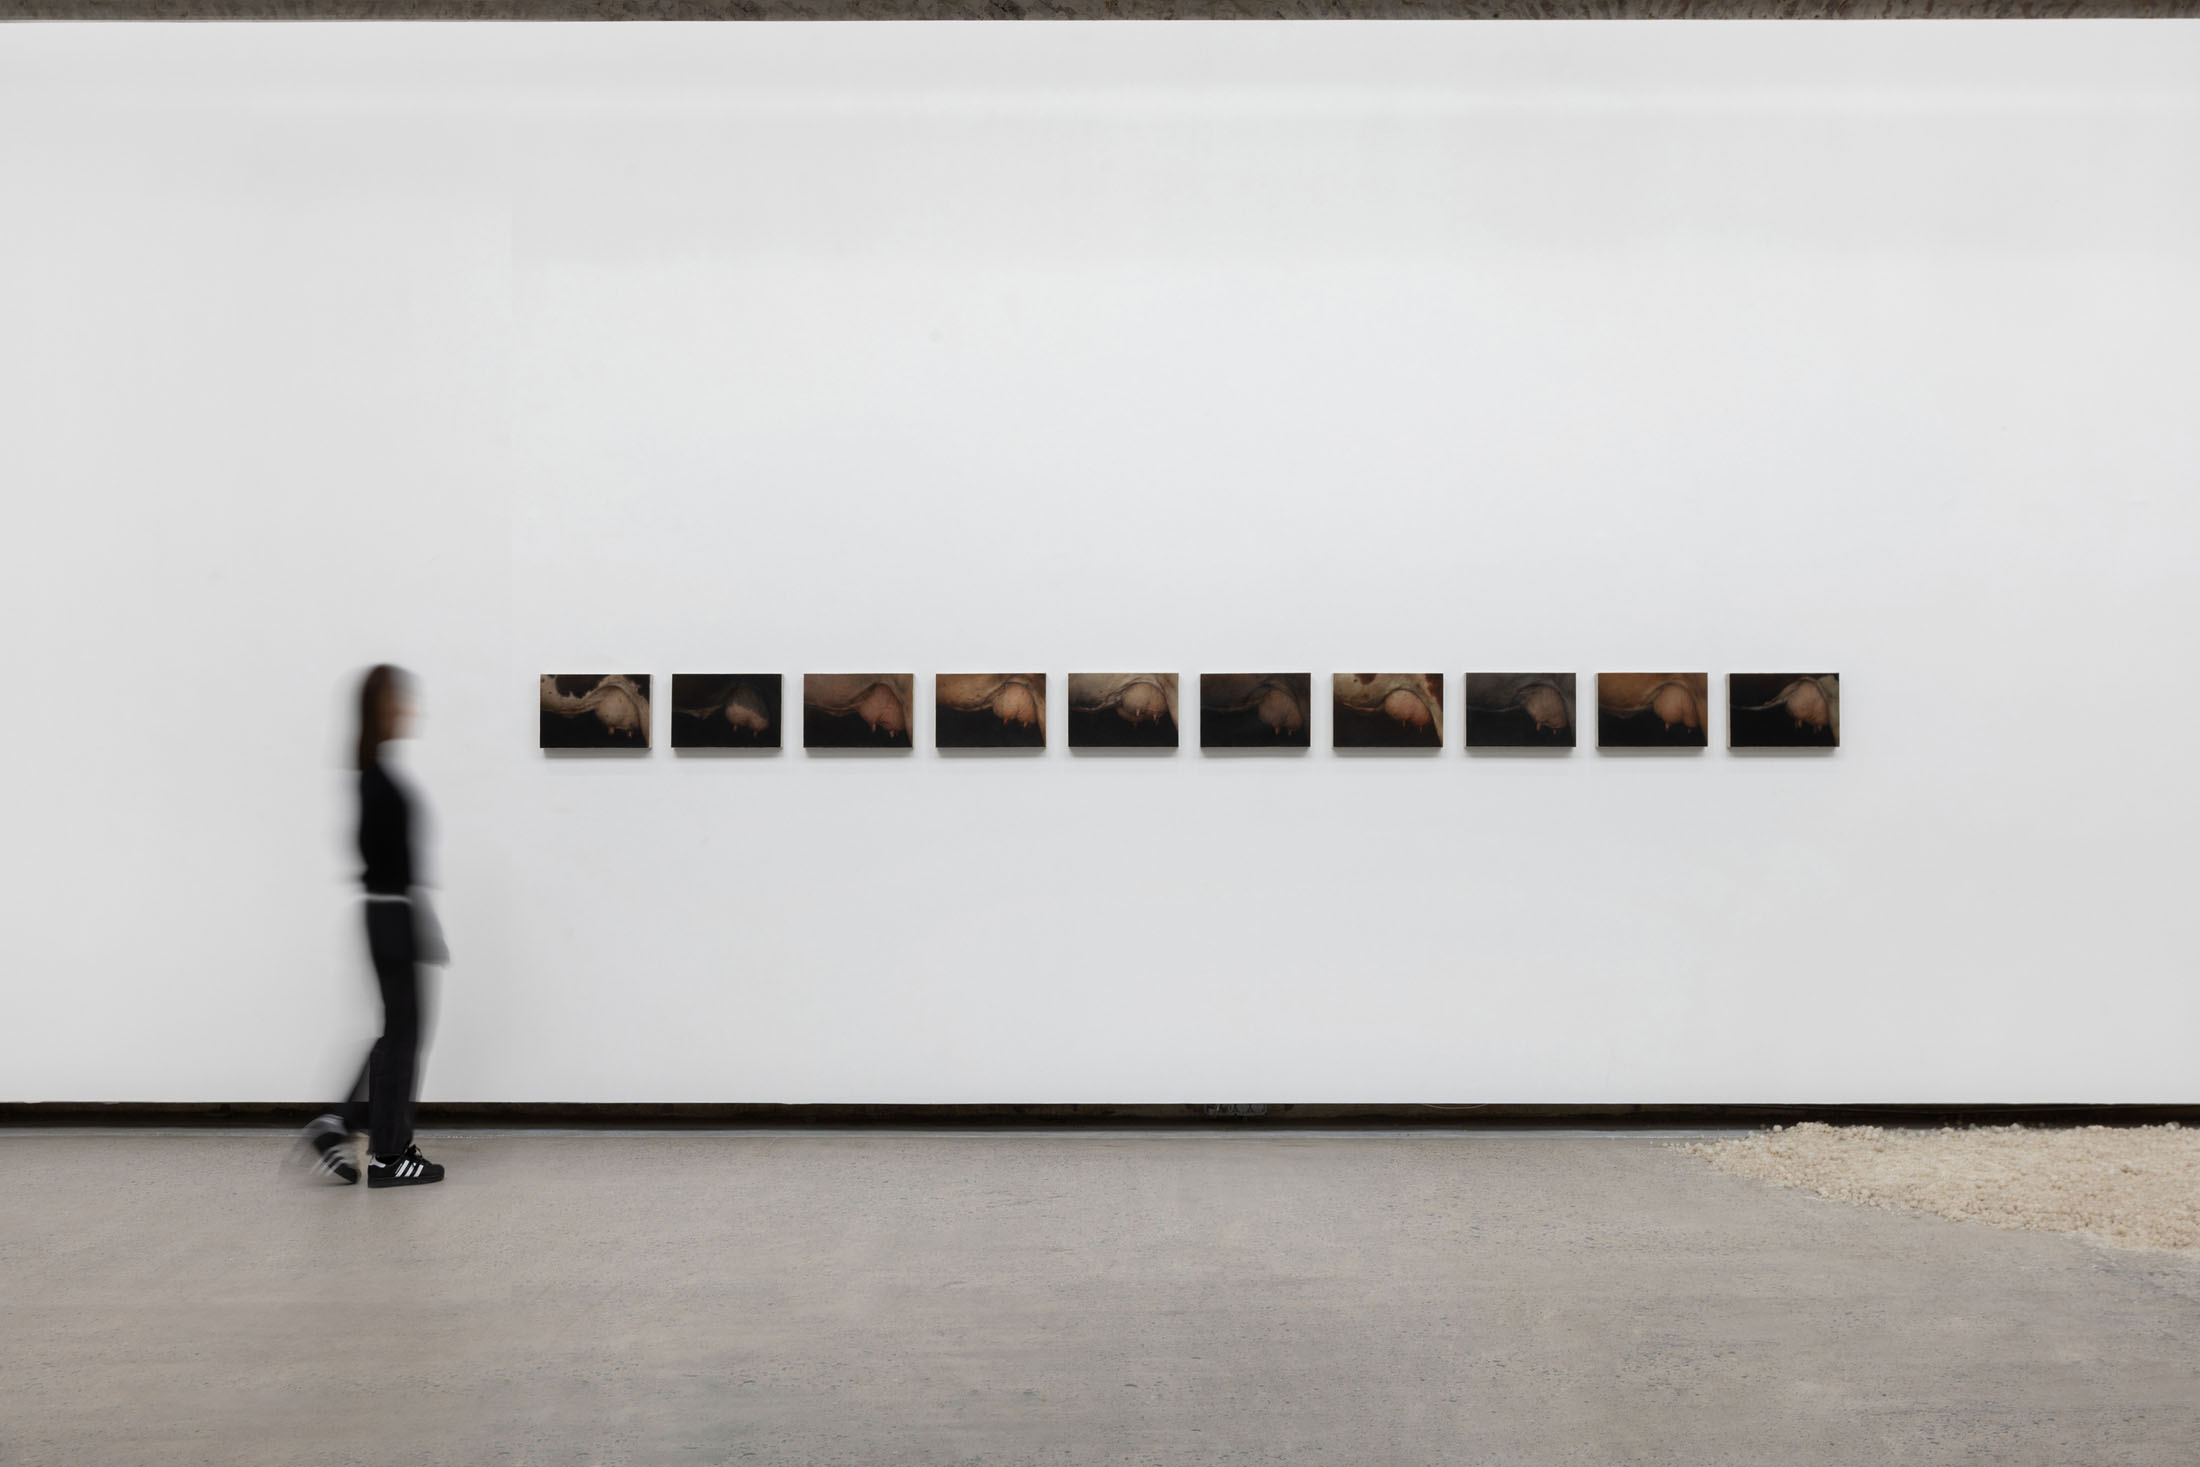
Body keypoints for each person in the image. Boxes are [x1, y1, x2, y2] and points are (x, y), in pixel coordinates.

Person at [297, 665, 448, 1189]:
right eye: (399, 700)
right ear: (381, 709)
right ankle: (387, 1155)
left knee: (398, 1032)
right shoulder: (377, 780)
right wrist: (409, 919)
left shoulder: (372, 774)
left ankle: (340, 1124)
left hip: (389, 913)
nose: (409, 709)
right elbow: (385, 863)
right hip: (390, 916)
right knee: (402, 1036)